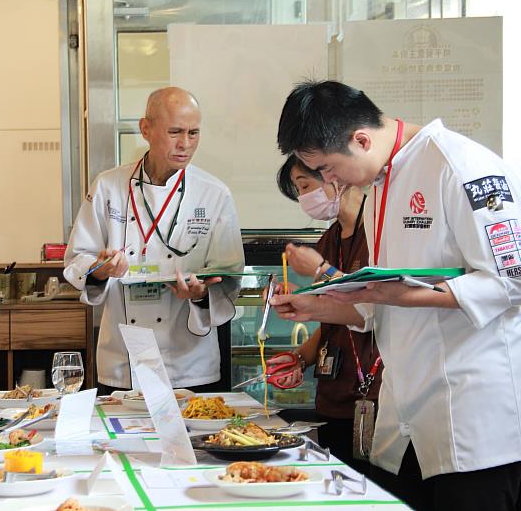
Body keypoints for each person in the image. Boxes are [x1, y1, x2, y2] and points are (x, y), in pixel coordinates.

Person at [270, 80, 521, 511]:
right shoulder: (383, 183)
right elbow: (378, 302)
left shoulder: (460, 165)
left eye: (327, 168)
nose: (328, 181)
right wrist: (321, 306)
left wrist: (407, 296)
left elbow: (512, 280)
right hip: (406, 415)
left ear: (361, 139)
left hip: (471, 418)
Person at [64, 87, 244, 391]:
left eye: (194, 133)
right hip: (122, 361)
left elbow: (229, 274)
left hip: (189, 363)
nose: (185, 144)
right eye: (175, 131)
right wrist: (100, 268)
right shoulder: (109, 187)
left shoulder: (214, 194)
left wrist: (201, 293)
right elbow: (78, 259)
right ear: (145, 129)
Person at [272, 155, 381, 475]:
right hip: (332, 397)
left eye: (305, 186)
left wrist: (321, 270)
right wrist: (300, 359)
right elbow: (332, 318)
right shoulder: (330, 239)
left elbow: (370, 308)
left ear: (335, 175)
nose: (305, 199)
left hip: (375, 397)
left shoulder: (377, 234)